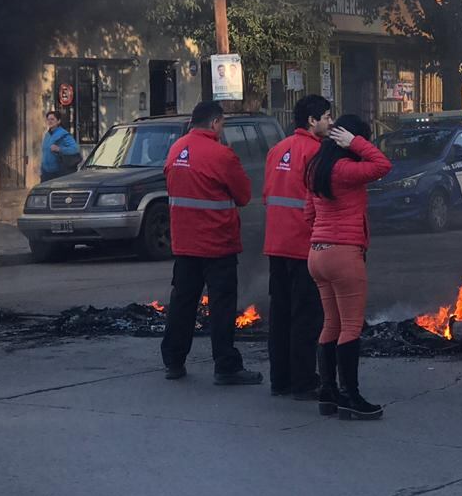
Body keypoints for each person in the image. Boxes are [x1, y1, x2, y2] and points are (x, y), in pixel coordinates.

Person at [160, 101, 262, 385]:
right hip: (218, 244)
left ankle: (174, 361)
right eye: (223, 124)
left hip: (184, 244)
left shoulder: (175, 149)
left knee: (182, 303)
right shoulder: (221, 155)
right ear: (215, 123)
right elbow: (242, 196)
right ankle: (225, 366)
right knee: (222, 307)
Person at [305, 114, 392, 420]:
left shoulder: (315, 168)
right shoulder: (345, 169)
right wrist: (356, 142)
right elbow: (383, 165)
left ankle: (328, 393)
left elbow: (308, 214)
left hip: (316, 254)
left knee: (331, 323)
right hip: (344, 255)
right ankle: (350, 396)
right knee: (351, 327)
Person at [263, 95, 332, 398]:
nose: (331, 122)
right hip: (305, 247)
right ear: (312, 121)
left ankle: (280, 380)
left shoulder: (277, 150)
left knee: (280, 315)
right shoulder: (317, 152)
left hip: (276, 246)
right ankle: (304, 381)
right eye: (327, 117)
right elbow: (324, 202)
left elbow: (268, 194)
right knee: (306, 316)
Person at [40, 110, 80, 182]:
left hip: (58, 173)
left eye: (52, 119)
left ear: (58, 121)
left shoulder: (64, 134)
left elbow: (75, 149)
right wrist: (42, 169)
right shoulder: (47, 135)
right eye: (48, 119)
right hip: (46, 174)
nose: (50, 121)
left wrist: (59, 149)